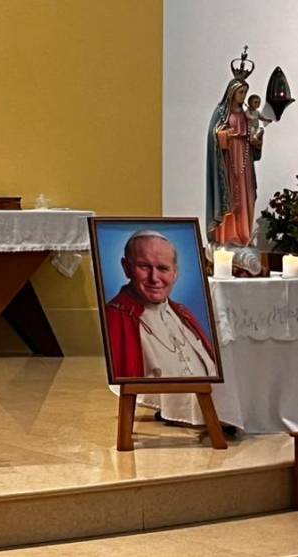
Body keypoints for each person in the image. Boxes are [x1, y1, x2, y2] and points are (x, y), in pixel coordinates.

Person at [104, 230, 217, 379]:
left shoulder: (183, 314)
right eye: (144, 266)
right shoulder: (114, 318)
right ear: (126, 268)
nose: (154, 278)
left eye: (163, 268)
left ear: (175, 273)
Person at [206, 73, 259, 247]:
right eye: (241, 92)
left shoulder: (247, 115)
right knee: (229, 198)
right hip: (227, 163)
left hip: (244, 162)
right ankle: (226, 237)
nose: (243, 96)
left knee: (246, 197)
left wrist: (256, 139)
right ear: (231, 92)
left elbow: (253, 135)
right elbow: (213, 136)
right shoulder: (221, 112)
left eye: (245, 92)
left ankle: (244, 235)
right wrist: (225, 135)